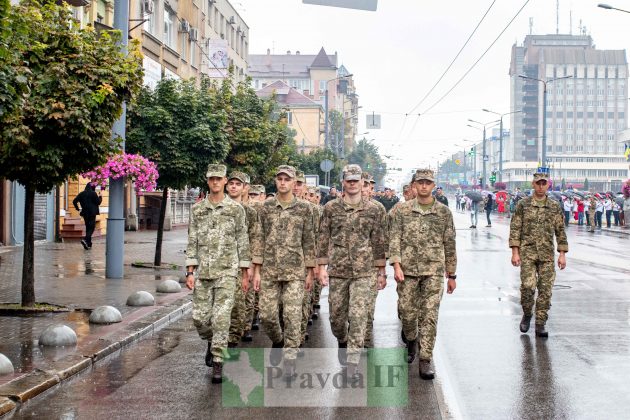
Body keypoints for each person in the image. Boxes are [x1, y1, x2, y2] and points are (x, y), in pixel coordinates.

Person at [318, 164, 386, 380]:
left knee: (358, 317)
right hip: (338, 270)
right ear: (343, 182)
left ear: (362, 183)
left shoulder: (375, 209)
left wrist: (381, 271)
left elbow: (379, 242)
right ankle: (342, 340)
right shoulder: (330, 208)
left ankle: (352, 362)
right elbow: (322, 238)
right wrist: (321, 268)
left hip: (364, 272)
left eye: (357, 180)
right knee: (337, 319)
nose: (353, 183)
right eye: (349, 179)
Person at [184, 164, 250, 383]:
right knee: (200, 319)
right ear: (207, 180)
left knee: (221, 319)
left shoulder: (235, 210)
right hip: (204, 272)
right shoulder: (197, 210)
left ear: (224, 181)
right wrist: (190, 271)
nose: (215, 182)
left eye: (218, 178)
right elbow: (192, 239)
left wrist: (245, 271)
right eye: (211, 178)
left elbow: (242, 239)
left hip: (227, 272)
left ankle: (218, 363)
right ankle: (211, 343)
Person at [389, 169, 457, 380]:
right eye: (421, 182)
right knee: (408, 315)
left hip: (433, 272)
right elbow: (395, 239)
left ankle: (425, 359)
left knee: (429, 316)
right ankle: (411, 339)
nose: (424, 186)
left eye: (428, 182)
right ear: (414, 186)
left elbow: (450, 243)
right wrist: (396, 265)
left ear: (433, 185)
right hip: (407, 272)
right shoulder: (402, 210)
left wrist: (452, 274)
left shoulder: (443, 212)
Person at [251, 165, 316, 379]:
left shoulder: (304, 208)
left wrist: (310, 270)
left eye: (287, 179)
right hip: (270, 270)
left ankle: (290, 359)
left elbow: (309, 240)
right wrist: (256, 270)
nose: (282, 182)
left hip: (295, 271)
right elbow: (259, 238)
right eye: (279, 178)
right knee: (268, 316)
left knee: (292, 315)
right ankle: (278, 341)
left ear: (293, 182)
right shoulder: (266, 207)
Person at [509, 172, 568, 338]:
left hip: (547, 254)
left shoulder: (554, 206)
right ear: (533, 184)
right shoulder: (523, 204)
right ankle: (527, 313)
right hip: (528, 253)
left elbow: (560, 231)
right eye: (538, 183)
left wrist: (562, 254)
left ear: (548, 185)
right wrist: (515, 252)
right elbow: (515, 228)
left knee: (545, 290)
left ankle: (540, 323)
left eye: (544, 183)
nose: (541, 186)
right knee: (528, 287)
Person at [225, 171, 258, 347]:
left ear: (245, 188)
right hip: (219, 266)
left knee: (238, 309)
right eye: (231, 183)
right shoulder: (218, 208)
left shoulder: (250, 213)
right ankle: (214, 345)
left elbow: (255, 240)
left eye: (238, 184)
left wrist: (252, 266)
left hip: (241, 266)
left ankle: (231, 341)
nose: (234, 187)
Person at [72, 183, 102, 250]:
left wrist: (77, 208)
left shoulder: (81, 193)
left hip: (85, 213)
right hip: (92, 213)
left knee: (88, 227)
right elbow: (98, 202)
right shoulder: (93, 193)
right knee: (92, 228)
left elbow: (74, 201)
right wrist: (100, 196)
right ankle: (85, 239)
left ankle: (88, 244)